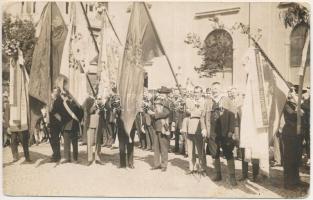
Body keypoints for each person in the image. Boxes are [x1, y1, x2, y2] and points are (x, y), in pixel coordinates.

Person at [201, 82, 237, 186]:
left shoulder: (227, 100)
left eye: (216, 88)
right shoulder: (208, 101)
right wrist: (204, 128)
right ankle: (218, 174)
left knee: (228, 153)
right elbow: (202, 117)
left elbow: (233, 117)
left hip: (225, 132)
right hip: (212, 131)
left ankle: (232, 176)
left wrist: (231, 130)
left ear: (220, 89)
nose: (215, 90)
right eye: (213, 88)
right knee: (214, 152)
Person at [281, 88, 305, 189]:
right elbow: (294, 113)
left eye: (294, 92)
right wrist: (297, 103)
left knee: (296, 157)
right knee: (289, 158)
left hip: (297, 134)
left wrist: (296, 100)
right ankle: (288, 182)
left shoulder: (295, 103)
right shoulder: (285, 104)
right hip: (289, 133)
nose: (293, 93)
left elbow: (302, 112)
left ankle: (295, 180)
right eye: (291, 91)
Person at [182, 86, 207, 175]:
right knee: (190, 149)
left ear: (201, 93)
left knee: (200, 150)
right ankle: (191, 167)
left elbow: (202, 113)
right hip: (189, 128)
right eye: (195, 92)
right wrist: (193, 112)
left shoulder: (204, 102)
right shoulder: (189, 101)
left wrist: (191, 112)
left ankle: (202, 168)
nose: (196, 94)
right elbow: (186, 111)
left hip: (199, 127)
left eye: (197, 92)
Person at [149, 87, 172, 172]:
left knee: (163, 147)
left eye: (163, 93)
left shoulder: (168, 102)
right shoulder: (157, 101)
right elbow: (151, 103)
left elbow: (166, 113)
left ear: (166, 94)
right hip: (155, 126)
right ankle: (156, 164)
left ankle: (164, 164)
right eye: (160, 93)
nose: (161, 94)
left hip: (163, 126)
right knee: (156, 147)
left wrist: (154, 114)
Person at [61, 91, 84, 164]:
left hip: (74, 125)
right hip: (65, 125)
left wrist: (79, 120)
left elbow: (81, 112)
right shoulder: (63, 104)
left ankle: (75, 158)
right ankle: (67, 158)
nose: (67, 96)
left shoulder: (76, 104)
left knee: (74, 143)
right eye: (65, 95)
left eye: (67, 95)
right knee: (66, 143)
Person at [83, 95, 105, 166]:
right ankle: (90, 159)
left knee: (98, 142)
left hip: (99, 123)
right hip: (91, 123)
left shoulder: (100, 99)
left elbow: (104, 111)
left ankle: (97, 158)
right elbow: (89, 111)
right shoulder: (88, 100)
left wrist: (101, 104)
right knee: (90, 142)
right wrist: (95, 104)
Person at [49, 87, 64, 162]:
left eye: (56, 92)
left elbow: (54, 111)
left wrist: (51, 110)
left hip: (57, 123)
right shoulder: (54, 100)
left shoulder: (59, 100)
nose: (54, 93)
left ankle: (56, 155)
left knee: (55, 140)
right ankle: (56, 154)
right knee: (54, 140)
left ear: (59, 92)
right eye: (54, 91)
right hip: (53, 123)